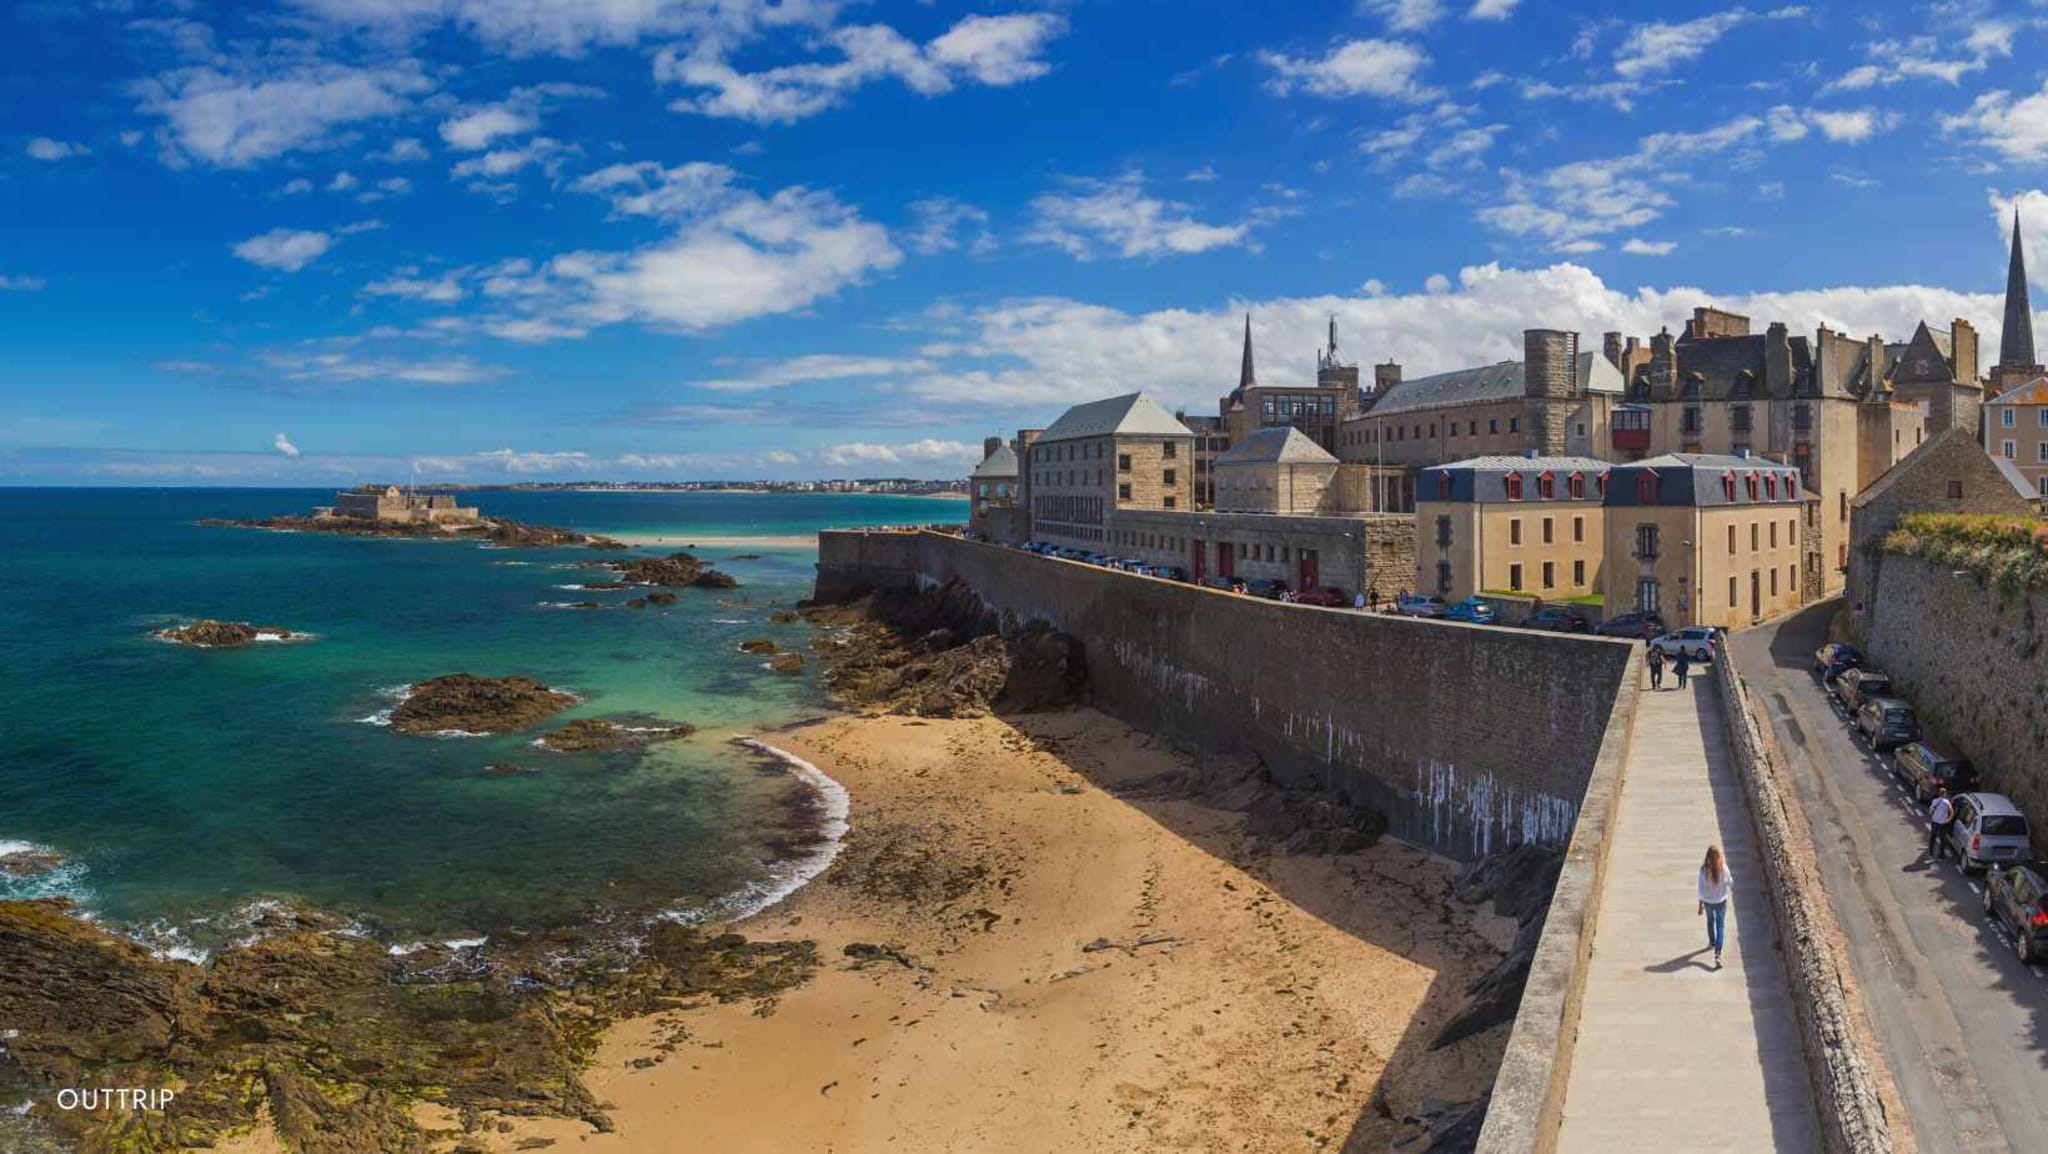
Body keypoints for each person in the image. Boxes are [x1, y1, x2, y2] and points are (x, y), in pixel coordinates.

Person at [1698, 845, 1732, 967]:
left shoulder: (1703, 870)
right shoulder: (1723, 867)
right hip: (1721, 901)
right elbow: (1730, 882)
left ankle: (1712, 942)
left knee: (1710, 921)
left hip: (1708, 902)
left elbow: (1700, 889)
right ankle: (1717, 954)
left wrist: (1700, 904)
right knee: (1720, 926)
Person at [1928, 787, 1955, 861]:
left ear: (1939, 794)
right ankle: (1941, 855)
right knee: (1942, 839)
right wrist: (1948, 820)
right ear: (1945, 794)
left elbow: (1930, 811)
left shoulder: (1934, 801)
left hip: (1934, 822)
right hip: (1942, 823)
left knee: (1932, 838)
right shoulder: (1947, 802)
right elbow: (1952, 812)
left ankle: (1931, 854)